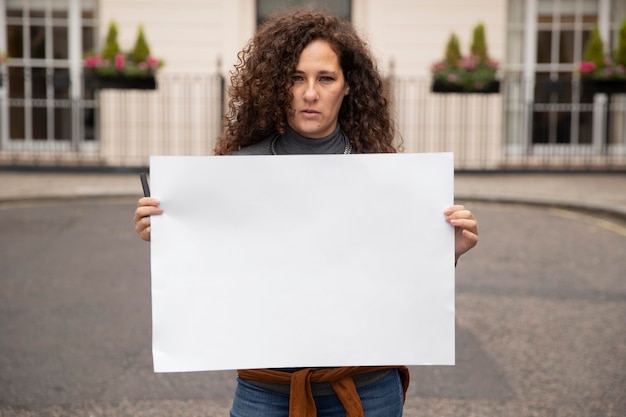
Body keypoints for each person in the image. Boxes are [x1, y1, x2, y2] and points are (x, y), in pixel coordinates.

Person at [134, 9, 478, 417]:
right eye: (296, 78)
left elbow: (400, 281)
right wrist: (174, 239)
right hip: (267, 388)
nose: (310, 93)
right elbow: (221, 277)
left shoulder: (389, 179)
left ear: (348, 87)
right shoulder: (236, 174)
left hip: (366, 387)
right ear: (277, 86)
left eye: (325, 78)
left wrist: (446, 251)